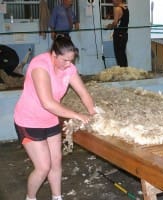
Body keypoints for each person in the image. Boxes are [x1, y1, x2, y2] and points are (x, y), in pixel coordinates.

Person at [14, 36, 96, 200]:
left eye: (71, 60)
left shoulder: (69, 68)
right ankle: (30, 197)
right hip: (29, 120)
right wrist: (77, 115)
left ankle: (57, 197)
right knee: (43, 167)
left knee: (56, 163)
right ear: (53, 55)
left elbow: (83, 93)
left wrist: (93, 114)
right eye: (65, 60)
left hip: (51, 120)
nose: (69, 64)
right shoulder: (40, 65)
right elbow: (48, 103)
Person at [106, 0, 129, 67]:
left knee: (118, 55)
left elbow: (115, 23)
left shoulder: (117, 9)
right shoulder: (126, 8)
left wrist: (109, 26)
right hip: (124, 34)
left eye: (113, 0)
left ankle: (122, 72)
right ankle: (125, 71)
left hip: (118, 34)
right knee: (122, 54)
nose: (112, 2)